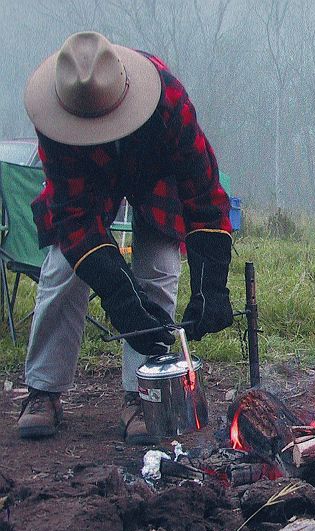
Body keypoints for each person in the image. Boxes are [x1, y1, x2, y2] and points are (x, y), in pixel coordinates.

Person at [18, 31, 233, 443]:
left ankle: (142, 393)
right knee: (63, 270)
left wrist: (212, 285)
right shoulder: (55, 119)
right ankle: (43, 390)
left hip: (154, 175)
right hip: (88, 181)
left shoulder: (167, 100)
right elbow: (74, 218)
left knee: (160, 265)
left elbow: (204, 192)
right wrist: (120, 295)